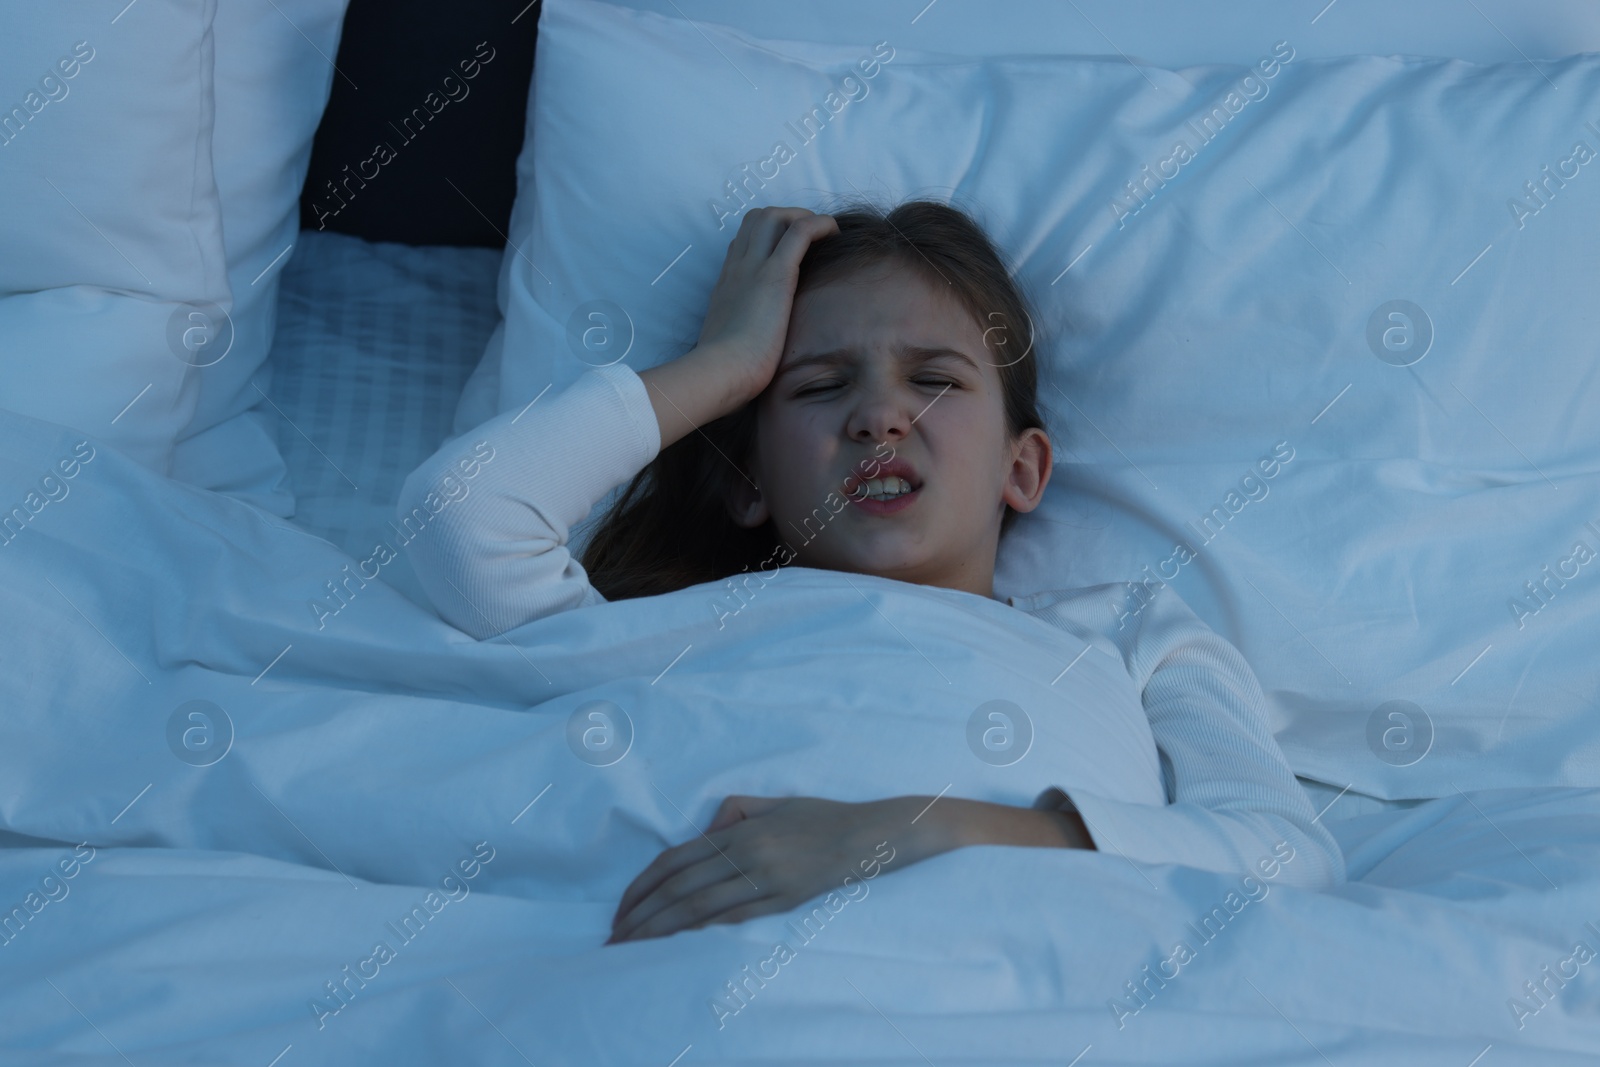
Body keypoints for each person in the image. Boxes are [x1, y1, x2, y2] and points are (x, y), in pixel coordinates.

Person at [396, 199, 1346, 946]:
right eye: (817, 386)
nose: (880, 417)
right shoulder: (679, 625)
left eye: (933, 379)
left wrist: (912, 831)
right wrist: (727, 364)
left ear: (1024, 468)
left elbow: (1283, 848)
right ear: (748, 489)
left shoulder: (1125, 631)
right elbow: (462, 516)